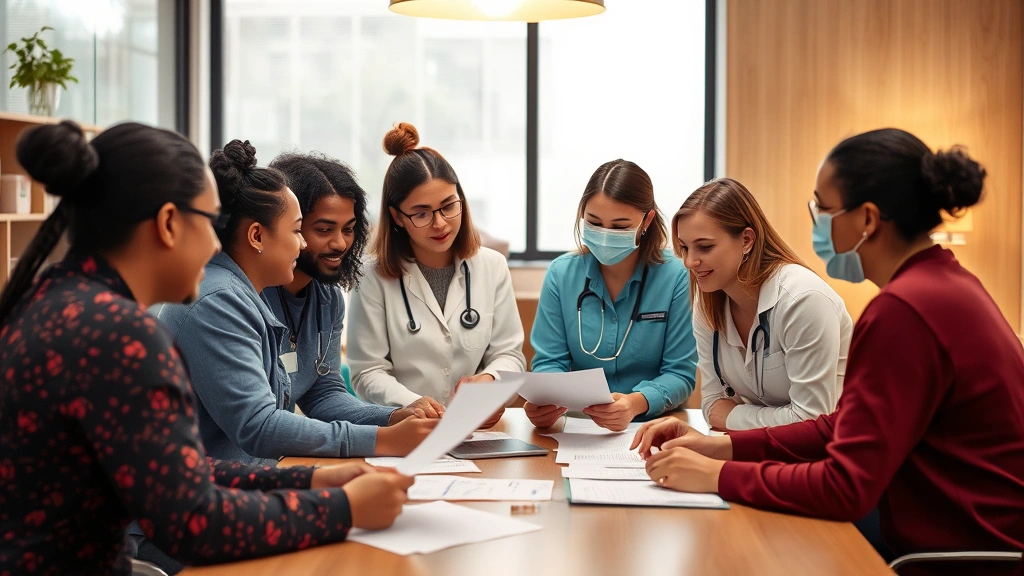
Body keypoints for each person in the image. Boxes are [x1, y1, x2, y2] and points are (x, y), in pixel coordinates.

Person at [0, 121, 413, 576]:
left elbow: (180, 472)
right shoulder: (117, 336)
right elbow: (193, 522)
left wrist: (309, 478)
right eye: (211, 223)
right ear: (169, 224)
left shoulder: (59, 303)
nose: (218, 244)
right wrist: (341, 510)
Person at [632, 129, 1024, 571]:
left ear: (868, 220)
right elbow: (838, 426)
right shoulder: (943, 286)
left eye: (822, 208)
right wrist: (718, 449)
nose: (816, 222)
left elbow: (844, 487)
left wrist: (718, 476)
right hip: (959, 537)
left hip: (965, 557)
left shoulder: (904, 310)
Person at [154, 140, 436, 467]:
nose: (341, 243)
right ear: (258, 235)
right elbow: (259, 425)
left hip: (249, 479)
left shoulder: (317, 295)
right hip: (210, 494)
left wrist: (392, 419)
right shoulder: (221, 300)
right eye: (302, 229)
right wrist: (382, 439)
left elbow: (322, 394)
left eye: (349, 229)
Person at [347, 123, 525, 428]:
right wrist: (412, 404)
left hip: (477, 430)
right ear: (397, 217)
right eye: (421, 213)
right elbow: (367, 372)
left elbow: (510, 355)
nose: (440, 223)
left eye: (448, 206)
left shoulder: (491, 266)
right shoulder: (371, 276)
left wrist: (490, 380)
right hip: (404, 429)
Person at [527, 160, 698, 432]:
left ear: (647, 221)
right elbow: (550, 362)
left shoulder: (676, 276)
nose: (605, 237)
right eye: (594, 223)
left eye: (619, 226)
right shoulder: (561, 274)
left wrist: (635, 403)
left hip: (653, 425)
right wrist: (547, 402)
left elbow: (680, 373)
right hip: (577, 427)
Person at [673, 178, 852, 430]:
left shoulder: (803, 299)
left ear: (747, 240)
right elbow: (712, 405)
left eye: (704, 247)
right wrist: (755, 417)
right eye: (683, 248)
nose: (690, 262)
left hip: (832, 451)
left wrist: (734, 416)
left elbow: (811, 421)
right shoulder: (708, 304)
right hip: (765, 450)